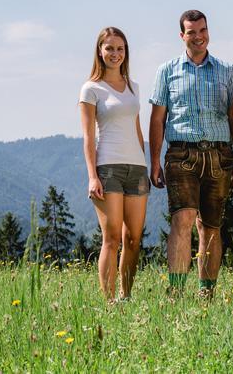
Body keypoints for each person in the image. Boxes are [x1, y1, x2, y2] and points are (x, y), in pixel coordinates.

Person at [149, 10, 233, 299]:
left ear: (208, 32)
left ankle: (207, 294)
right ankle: (176, 292)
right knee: (183, 219)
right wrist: (154, 160)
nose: (198, 36)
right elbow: (157, 119)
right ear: (182, 36)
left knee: (211, 227)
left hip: (220, 155)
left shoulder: (226, 71)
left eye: (202, 30)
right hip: (181, 155)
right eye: (191, 32)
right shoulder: (167, 71)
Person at [79, 27, 149, 302]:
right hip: (108, 169)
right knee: (112, 239)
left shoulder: (134, 87)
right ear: (100, 51)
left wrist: (147, 163)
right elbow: (87, 137)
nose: (115, 54)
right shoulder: (91, 88)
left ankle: (125, 296)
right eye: (109, 48)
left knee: (133, 239)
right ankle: (108, 303)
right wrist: (92, 176)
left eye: (120, 49)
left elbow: (137, 129)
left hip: (137, 168)